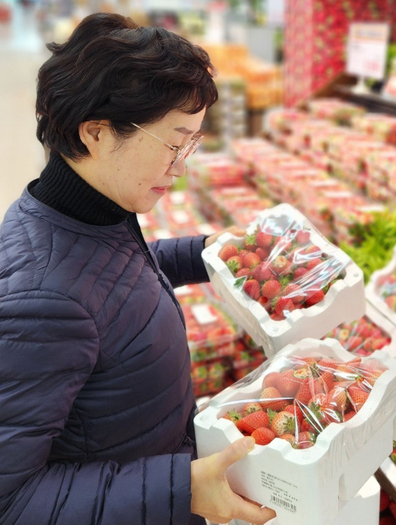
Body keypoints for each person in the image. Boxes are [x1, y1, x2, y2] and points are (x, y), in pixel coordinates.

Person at [0, 13, 276, 525]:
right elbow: (12, 500)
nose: (183, 165)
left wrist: (206, 251)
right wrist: (181, 489)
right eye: (175, 143)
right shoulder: (39, 302)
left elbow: (115, 281)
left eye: (192, 143)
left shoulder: (87, 212)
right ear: (98, 133)